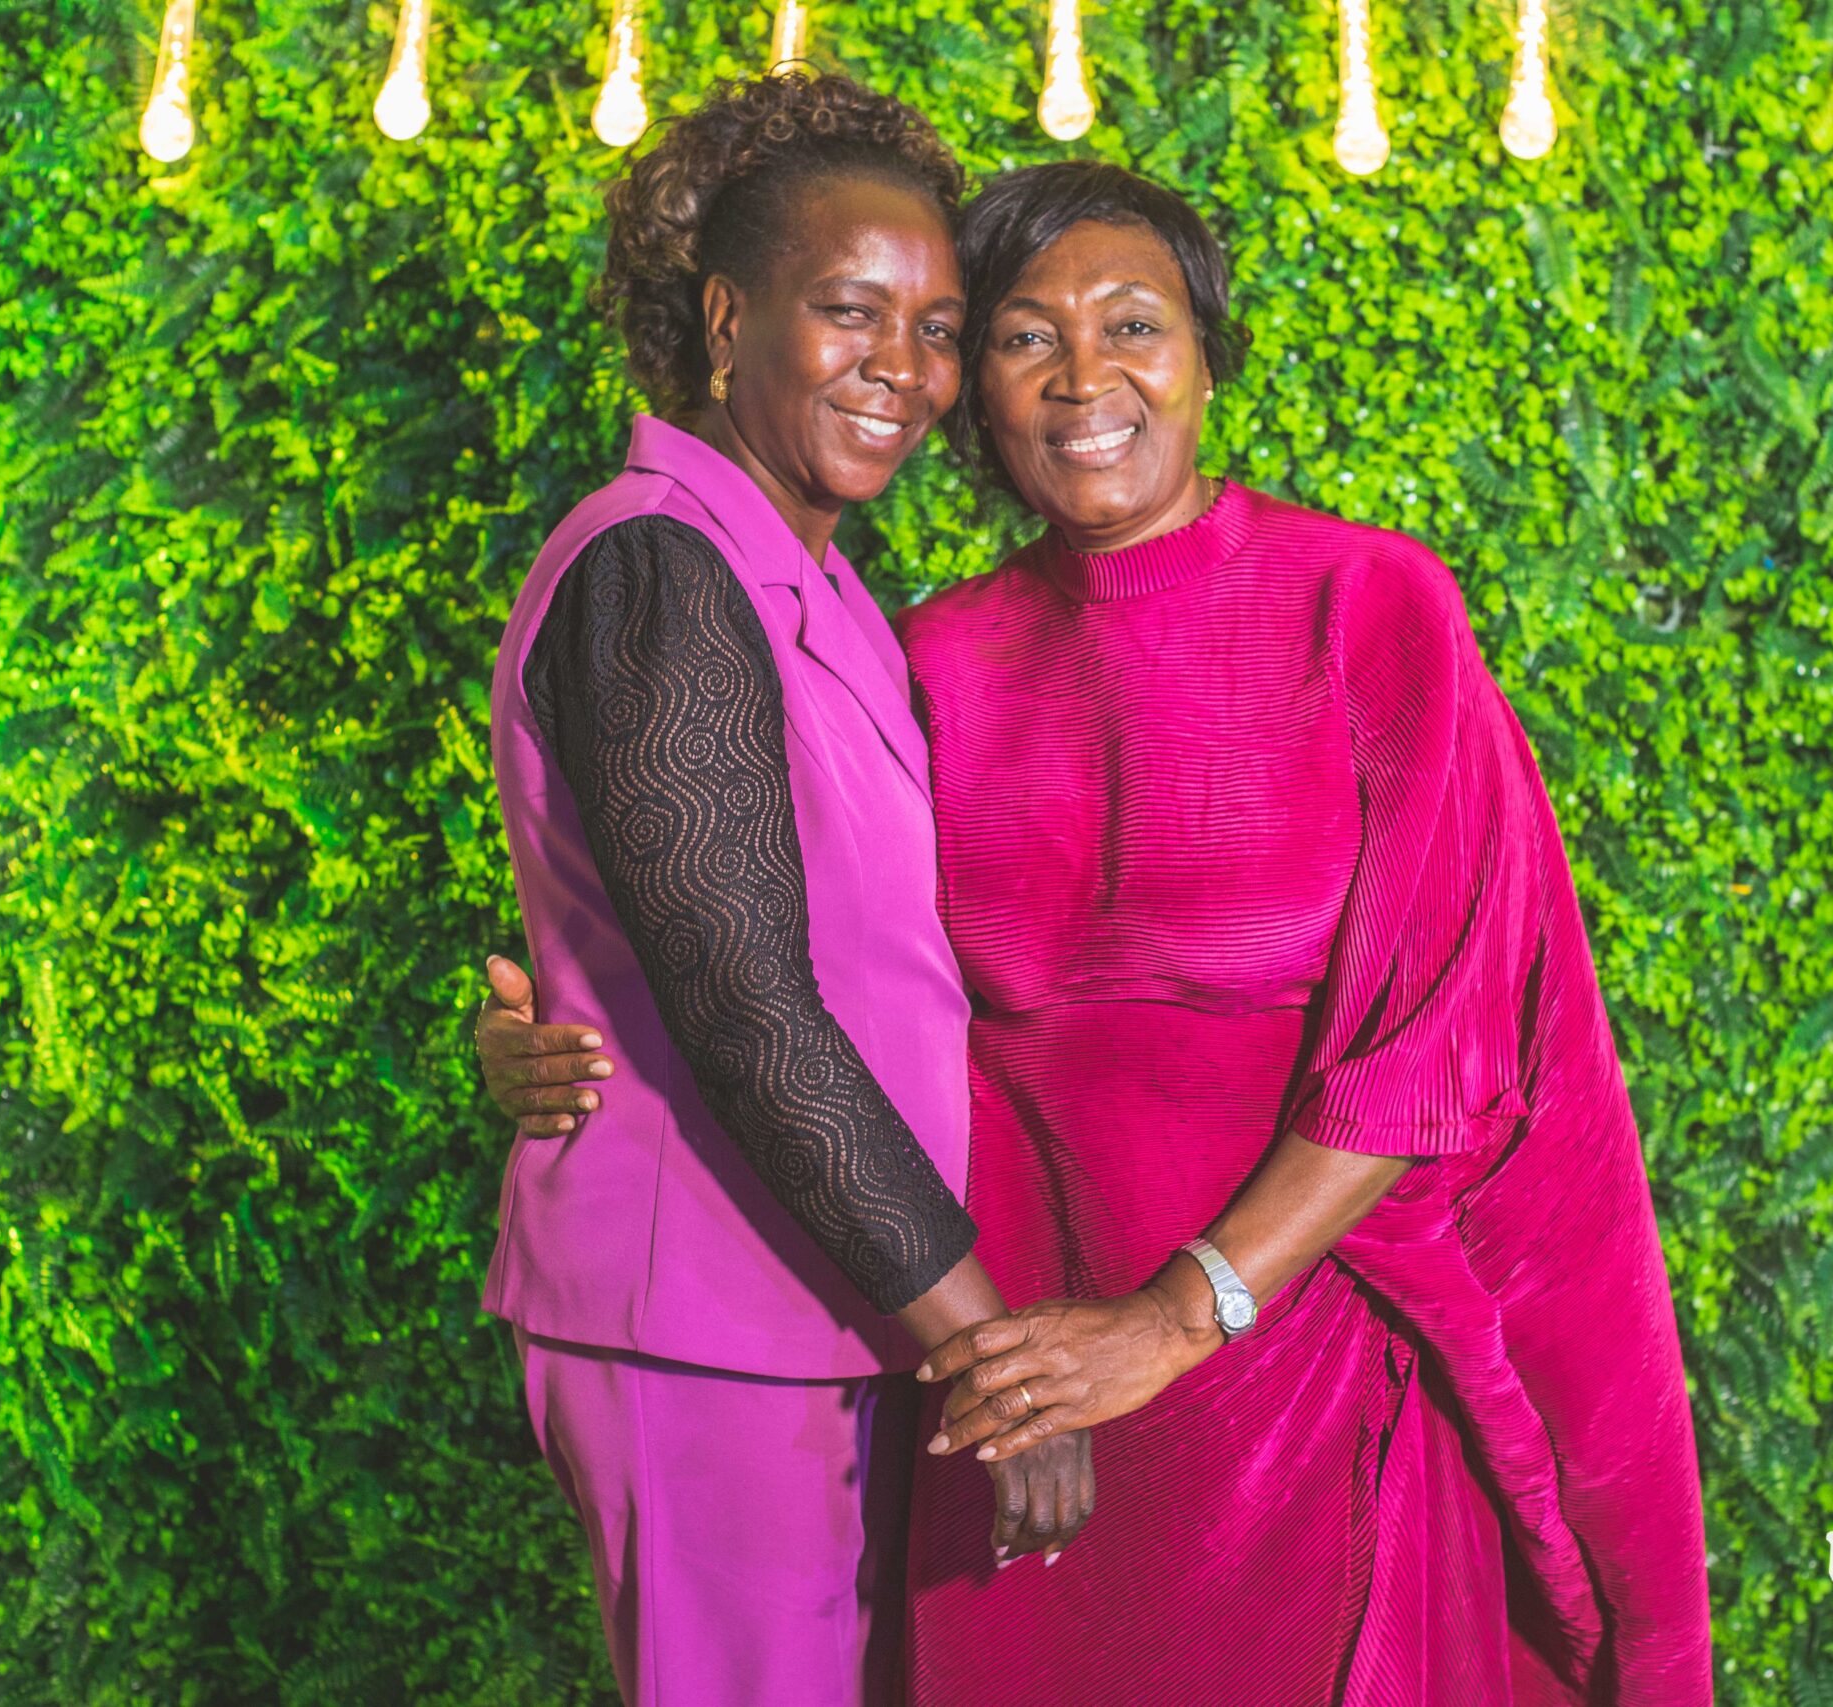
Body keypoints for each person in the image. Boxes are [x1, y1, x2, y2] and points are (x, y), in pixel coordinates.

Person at [483, 160, 1712, 1704]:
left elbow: (1434, 1041)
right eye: (1021, 338)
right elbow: (766, 937)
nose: (1084, 379)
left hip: (1296, 1354)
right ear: (981, 401)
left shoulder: (1371, 606)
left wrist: (1181, 1317)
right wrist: (556, 1019)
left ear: (1206, 359)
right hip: (1006, 1366)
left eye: (1135, 326)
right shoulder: (927, 652)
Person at [477, 73, 1087, 1707]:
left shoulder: (809, 579)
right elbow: (747, 1004)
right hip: (712, 1326)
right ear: (728, 316)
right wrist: (993, 1353)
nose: (907, 368)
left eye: (939, 329)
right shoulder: (657, 566)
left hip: (830, 1304)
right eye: (851, 311)